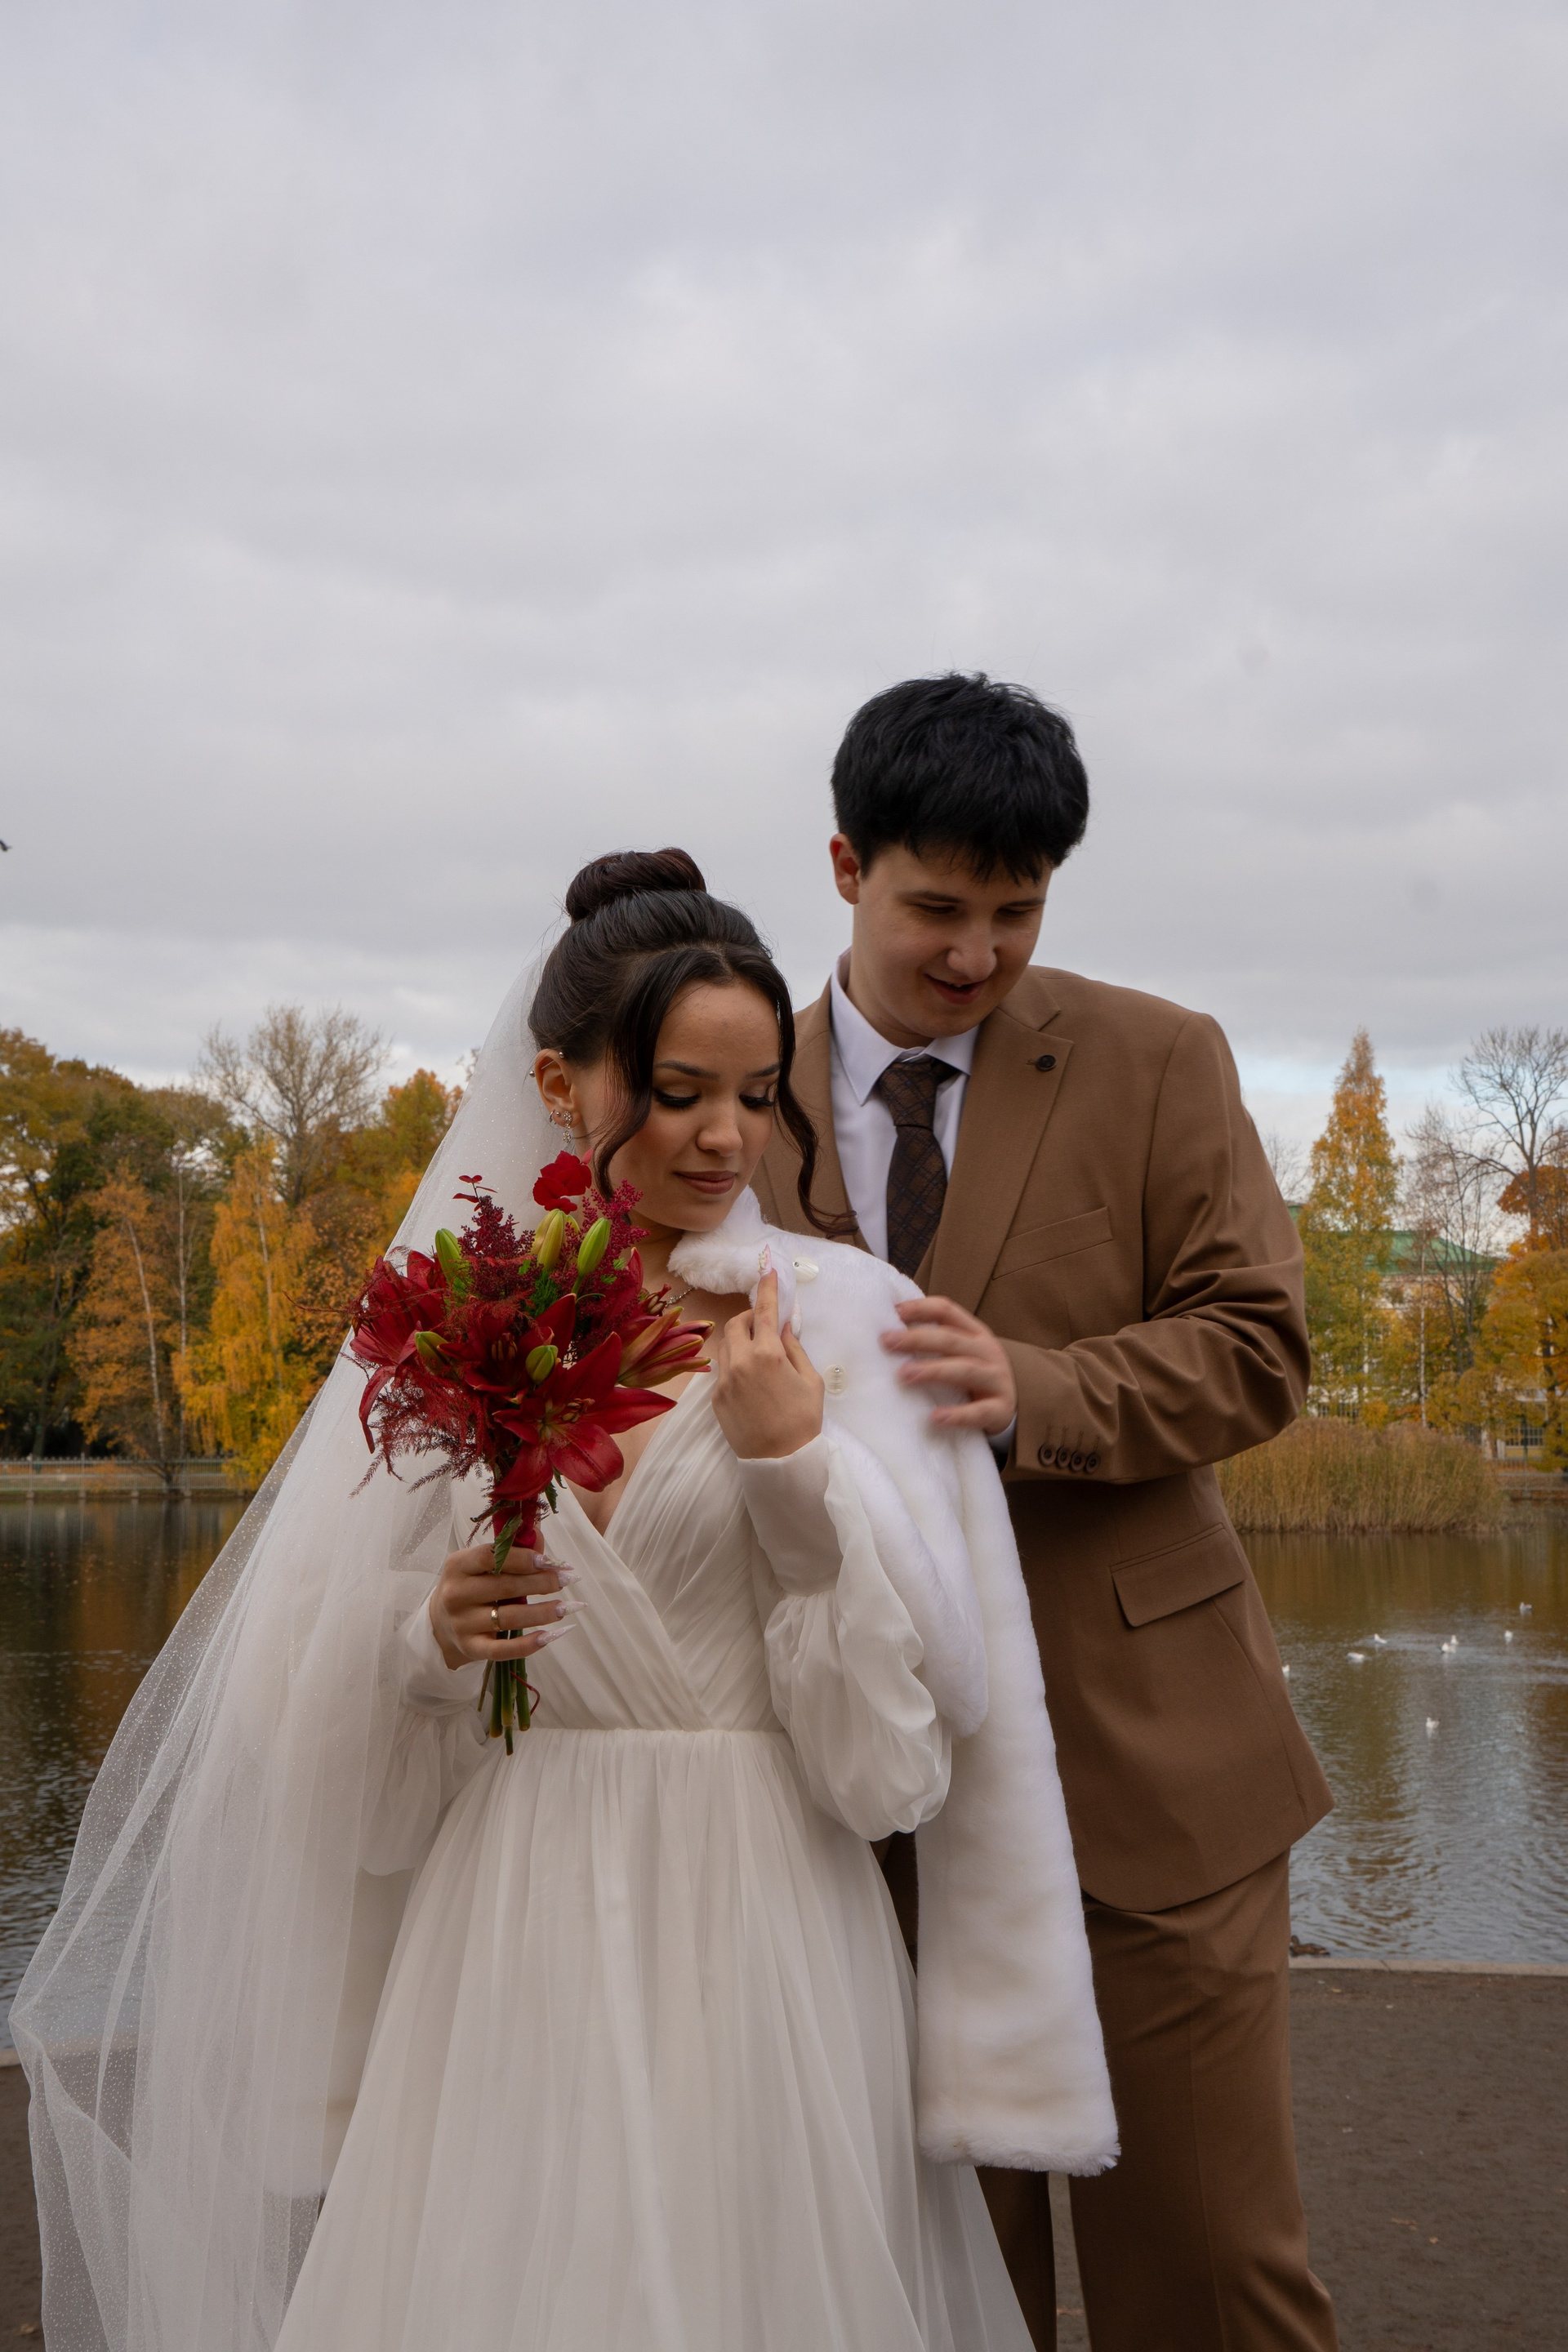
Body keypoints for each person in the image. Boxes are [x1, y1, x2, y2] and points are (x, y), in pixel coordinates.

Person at [15, 849, 1115, 2352]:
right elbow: (310, 1730)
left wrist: (796, 1474)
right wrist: (426, 1639)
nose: (726, 1137)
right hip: (512, 1912)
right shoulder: (461, 1325)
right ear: (561, 1082)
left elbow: (889, 1772)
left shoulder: (838, 1323)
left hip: (765, 1924)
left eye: (757, 1095)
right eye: (677, 1092)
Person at [754, 675, 1339, 2352]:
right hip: (845, 1810)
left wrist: (1042, 1392)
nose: (978, 954)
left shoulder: (1160, 1059)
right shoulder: (725, 1082)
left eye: (1018, 912)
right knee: (937, 2297)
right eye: (938, 907)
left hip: (1149, 1777)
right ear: (846, 865)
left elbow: (1261, 1347)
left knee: (1210, 2279)